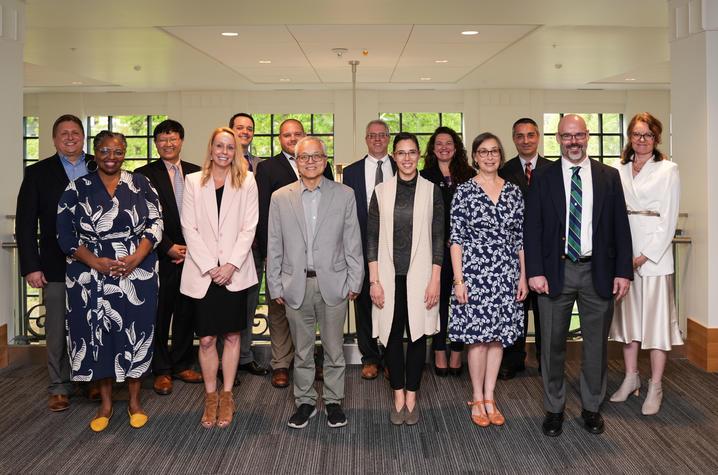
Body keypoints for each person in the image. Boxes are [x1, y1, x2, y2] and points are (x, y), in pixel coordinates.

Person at [524, 114, 633, 437]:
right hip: (555, 272)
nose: (574, 141)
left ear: (588, 137)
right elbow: (533, 228)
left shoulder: (608, 177)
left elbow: (620, 229)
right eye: (567, 136)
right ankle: (554, 408)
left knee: (596, 346)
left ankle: (591, 408)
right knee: (552, 344)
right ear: (557, 139)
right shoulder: (543, 178)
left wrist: (623, 272)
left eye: (579, 135)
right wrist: (535, 272)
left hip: (597, 271)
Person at [57, 130, 163, 432]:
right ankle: (104, 404)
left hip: (136, 271)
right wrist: (95, 262)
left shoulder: (141, 184)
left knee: (135, 333)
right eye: (104, 151)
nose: (111, 157)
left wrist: (136, 258)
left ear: (125, 153)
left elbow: (156, 224)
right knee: (98, 335)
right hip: (90, 273)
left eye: (117, 152)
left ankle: (134, 401)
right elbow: (64, 235)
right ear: (95, 152)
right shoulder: (77, 188)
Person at [267, 136, 363, 429]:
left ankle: (334, 402)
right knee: (302, 350)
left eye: (316, 156)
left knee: (334, 349)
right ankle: (305, 401)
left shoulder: (344, 194)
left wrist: (355, 280)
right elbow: (274, 243)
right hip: (295, 284)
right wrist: (274, 284)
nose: (310, 161)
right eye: (304, 157)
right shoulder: (280, 197)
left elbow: (352, 241)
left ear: (325, 160)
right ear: (296, 162)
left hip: (333, 283)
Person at [180, 127, 258, 428]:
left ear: (235, 150)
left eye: (230, 147)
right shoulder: (193, 181)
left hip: (234, 273)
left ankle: (227, 395)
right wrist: (211, 266)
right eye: (219, 146)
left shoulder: (247, 181)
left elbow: (249, 228)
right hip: (204, 273)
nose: (224, 151)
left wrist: (230, 265)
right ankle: (210, 396)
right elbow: (190, 228)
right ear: (210, 148)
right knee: (208, 338)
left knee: (233, 335)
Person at [16, 114, 94, 412]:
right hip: (54, 265)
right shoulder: (38, 173)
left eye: (76, 132)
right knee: (58, 329)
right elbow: (25, 225)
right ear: (54, 138)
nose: (70, 137)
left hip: (93, 266)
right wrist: (31, 266)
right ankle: (59, 386)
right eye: (64, 133)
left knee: (89, 325)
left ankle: (89, 381)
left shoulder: (97, 166)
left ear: (83, 137)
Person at [449, 132, 527, 427]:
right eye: (483, 152)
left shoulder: (513, 191)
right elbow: (456, 238)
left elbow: (520, 238)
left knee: (497, 340)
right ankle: (477, 396)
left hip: (506, 274)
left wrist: (523, 275)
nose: (490, 156)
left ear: (500, 155)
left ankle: (491, 396)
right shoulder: (465, 191)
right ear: (475, 157)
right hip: (474, 273)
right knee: (477, 341)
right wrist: (459, 280)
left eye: (495, 151)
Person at [609, 112, 683, 415]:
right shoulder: (619, 169)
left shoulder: (668, 169)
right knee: (628, 323)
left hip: (654, 258)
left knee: (655, 325)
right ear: (629, 137)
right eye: (637, 134)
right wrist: (622, 255)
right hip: (623, 254)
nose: (642, 140)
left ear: (656, 138)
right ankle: (630, 377)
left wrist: (644, 256)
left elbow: (669, 219)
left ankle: (655, 385)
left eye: (648, 135)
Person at [368, 132, 443, 426]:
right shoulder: (381, 191)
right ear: (393, 157)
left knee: (417, 338)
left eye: (412, 152)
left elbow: (439, 237)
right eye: (401, 152)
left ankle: (412, 395)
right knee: (390, 337)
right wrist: (374, 280)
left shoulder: (431, 190)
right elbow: (371, 238)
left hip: (422, 277)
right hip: (388, 278)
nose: (407, 158)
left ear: (419, 156)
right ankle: (397, 394)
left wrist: (435, 279)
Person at [255, 119, 333, 388]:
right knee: (279, 310)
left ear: (304, 136)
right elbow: (263, 213)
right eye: (287, 135)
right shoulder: (267, 168)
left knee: (314, 311)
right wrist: (268, 252)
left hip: (315, 255)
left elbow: (330, 207)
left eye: (297, 133)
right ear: (280, 139)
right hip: (283, 254)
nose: (292, 138)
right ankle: (281, 364)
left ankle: (311, 360)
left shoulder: (320, 162)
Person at [136, 120, 203, 396]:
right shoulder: (142, 175)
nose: (168, 144)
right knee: (160, 314)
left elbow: (205, 214)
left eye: (173, 139)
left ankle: (182, 363)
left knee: (188, 311)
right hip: (159, 256)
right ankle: (161, 370)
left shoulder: (197, 173)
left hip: (193, 254)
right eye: (163, 140)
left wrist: (191, 248)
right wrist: (168, 247)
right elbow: (142, 216)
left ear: (181, 141)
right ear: (156, 143)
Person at [342, 119, 396, 380]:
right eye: (372, 135)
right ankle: (369, 357)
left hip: (395, 248)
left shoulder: (401, 167)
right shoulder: (351, 172)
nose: (377, 139)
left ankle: (389, 356)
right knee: (363, 303)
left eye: (382, 135)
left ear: (388, 138)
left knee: (391, 303)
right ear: (366, 139)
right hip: (360, 247)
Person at [420, 126, 476, 377]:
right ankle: (439, 349)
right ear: (433, 148)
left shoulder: (470, 175)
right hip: (435, 251)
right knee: (439, 303)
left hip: (466, 251)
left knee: (462, 302)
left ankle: (457, 350)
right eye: (439, 143)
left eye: (449, 143)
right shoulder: (424, 176)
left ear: (456, 147)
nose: (444, 147)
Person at [498, 117, 551, 379]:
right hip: (511, 254)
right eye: (520, 136)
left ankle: (545, 360)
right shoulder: (504, 171)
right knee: (515, 309)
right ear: (514, 138)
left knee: (545, 312)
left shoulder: (554, 170)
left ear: (538, 136)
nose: (526, 140)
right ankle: (513, 359)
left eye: (530, 135)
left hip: (545, 253)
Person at [229, 112, 269, 377]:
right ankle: (225, 359)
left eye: (249, 128)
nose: (245, 131)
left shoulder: (261, 166)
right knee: (227, 306)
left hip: (254, 248)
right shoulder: (220, 162)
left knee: (250, 304)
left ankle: (244, 355)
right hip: (228, 250)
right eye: (239, 127)